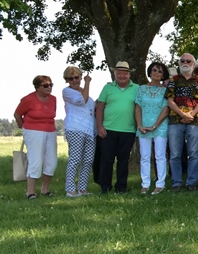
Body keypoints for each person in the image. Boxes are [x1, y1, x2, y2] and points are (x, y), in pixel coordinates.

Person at [165, 54, 198, 192]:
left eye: (188, 61)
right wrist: (183, 114)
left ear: (193, 64)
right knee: (175, 154)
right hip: (175, 120)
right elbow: (170, 101)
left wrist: (191, 114)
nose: (185, 63)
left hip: (194, 121)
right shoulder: (174, 80)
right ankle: (176, 182)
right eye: (182, 61)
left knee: (194, 153)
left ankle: (191, 182)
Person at [95, 61, 139, 194]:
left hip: (128, 130)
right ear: (114, 74)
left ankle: (121, 187)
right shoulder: (107, 88)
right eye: (119, 73)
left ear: (129, 75)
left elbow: (139, 108)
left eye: (124, 73)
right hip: (108, 129)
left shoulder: (137, 88)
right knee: (107, 159)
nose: (122, 76)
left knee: (123, 160)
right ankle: (105, 187)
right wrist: (99, 126)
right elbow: (100, 107)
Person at [15, 75, 58, 199]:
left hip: (50, 131)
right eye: (45, 85)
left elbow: (51, 115)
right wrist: (24, 129)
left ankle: (45, 190)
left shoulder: (53, 99)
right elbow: (17, 115)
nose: (49, 87)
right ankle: (30, 192)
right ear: (37, 87)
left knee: (51, 162)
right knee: (36, 161)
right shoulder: (28, 99)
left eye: (51, 85)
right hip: (33, 131)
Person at [134, 62, 170, 195]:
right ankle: (145, 184)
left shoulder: (165, 90)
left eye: (160, 71)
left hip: (160, 126)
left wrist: (155, 126)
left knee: (160, 156)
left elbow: (166, 109)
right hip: (143, 126)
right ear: (149, 72)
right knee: (144, 156)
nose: (156, 73)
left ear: (163, 75)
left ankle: (160, 184)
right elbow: (138, 108)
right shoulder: (141, 89)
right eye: (154, 70)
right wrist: (139, 125)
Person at [62, 66, 95, 198]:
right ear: (67, 80)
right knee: (75, 159)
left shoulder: (84, 91)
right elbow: (82, 101)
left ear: (80, 76)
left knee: (88, 160)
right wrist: (87, 82)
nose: (74, 80)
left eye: (77, 77)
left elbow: (91, 107)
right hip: (75, 128)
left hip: (89, 129)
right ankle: (70, 189)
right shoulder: (67, 91)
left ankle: (82, 188)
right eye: (71, 78)